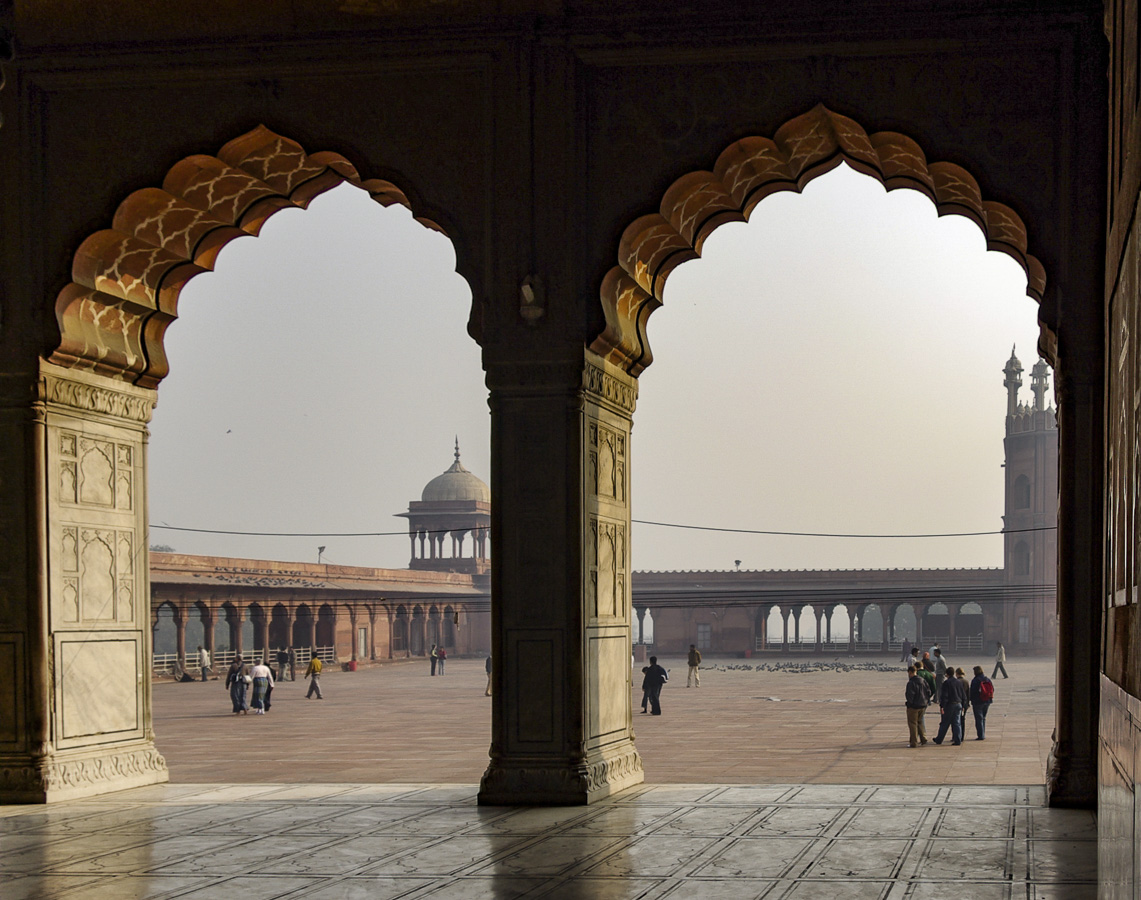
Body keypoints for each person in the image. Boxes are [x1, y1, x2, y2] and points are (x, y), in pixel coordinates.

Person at [931, 665, 968, 745]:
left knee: (944, 723)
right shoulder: (959, 682)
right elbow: (963, 695)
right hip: (958, 704)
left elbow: (945, 696)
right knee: (957, 723)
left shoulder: (946, 683)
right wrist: (964, 705)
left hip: (950, 705)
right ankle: (957, 740)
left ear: (946, 674)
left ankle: (939, 739)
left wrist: (942, 706)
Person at [904, 665, 931, 747]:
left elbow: (910, 695)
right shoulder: (923, 681)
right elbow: (928, 692)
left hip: (914, 706)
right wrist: (926, 701)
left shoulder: (911, 683)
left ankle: (913, 742)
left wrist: (909, 704)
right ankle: (923, 738)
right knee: (920, 722)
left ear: (910, 672)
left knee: (912, 724)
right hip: (923, 705)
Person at [969, 665, 995, 739]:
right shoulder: (987, 679)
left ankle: (981, 735)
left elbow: (973, 691)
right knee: (983, 718)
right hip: (987, 701)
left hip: (978, 702)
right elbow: (992, 689)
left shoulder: (975, 680)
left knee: (978, 719)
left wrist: (971, 700)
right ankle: (983, 733)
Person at [955, 667, 970, 733]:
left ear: (957, 673)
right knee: (962, 719)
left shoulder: (956, 682)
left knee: (956, 720)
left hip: (957, 702)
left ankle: (957, 735)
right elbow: (968, 694)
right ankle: (962, 735)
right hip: (965, 703)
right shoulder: (966, 682)